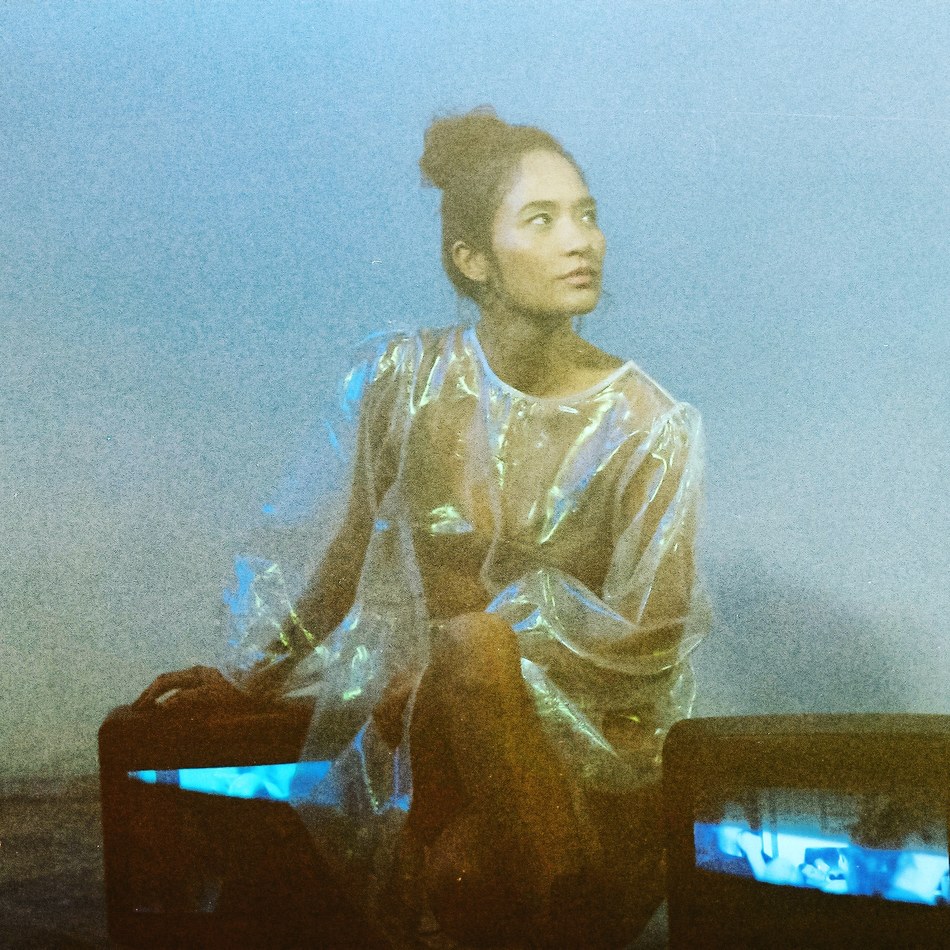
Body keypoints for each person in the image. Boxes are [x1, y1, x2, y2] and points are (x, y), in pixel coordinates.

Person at [136, 107, 710, 948]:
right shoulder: (406, 383)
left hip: (586, 761)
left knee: (473, 666)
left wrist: (461, 668)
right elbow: (345, 558)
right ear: (472, 259)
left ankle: (564, 896)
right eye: (542, 219)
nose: (581, 241)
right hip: (431, 754)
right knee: (460, 864)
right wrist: (251, 678)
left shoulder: (649, 425)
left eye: (586, 215)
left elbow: (653, 630)